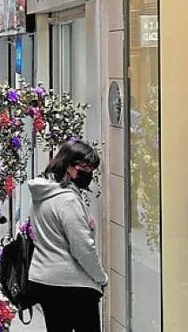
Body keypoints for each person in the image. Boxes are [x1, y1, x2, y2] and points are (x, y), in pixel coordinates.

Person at [26, 140, 108, 332]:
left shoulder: (43, 194)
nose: (89, 173)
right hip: (72, 284)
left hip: (45, 280)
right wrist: (101, 278)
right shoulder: (68, 200)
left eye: (91, 168)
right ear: (68, 166)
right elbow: (83, 248)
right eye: (84, 168)